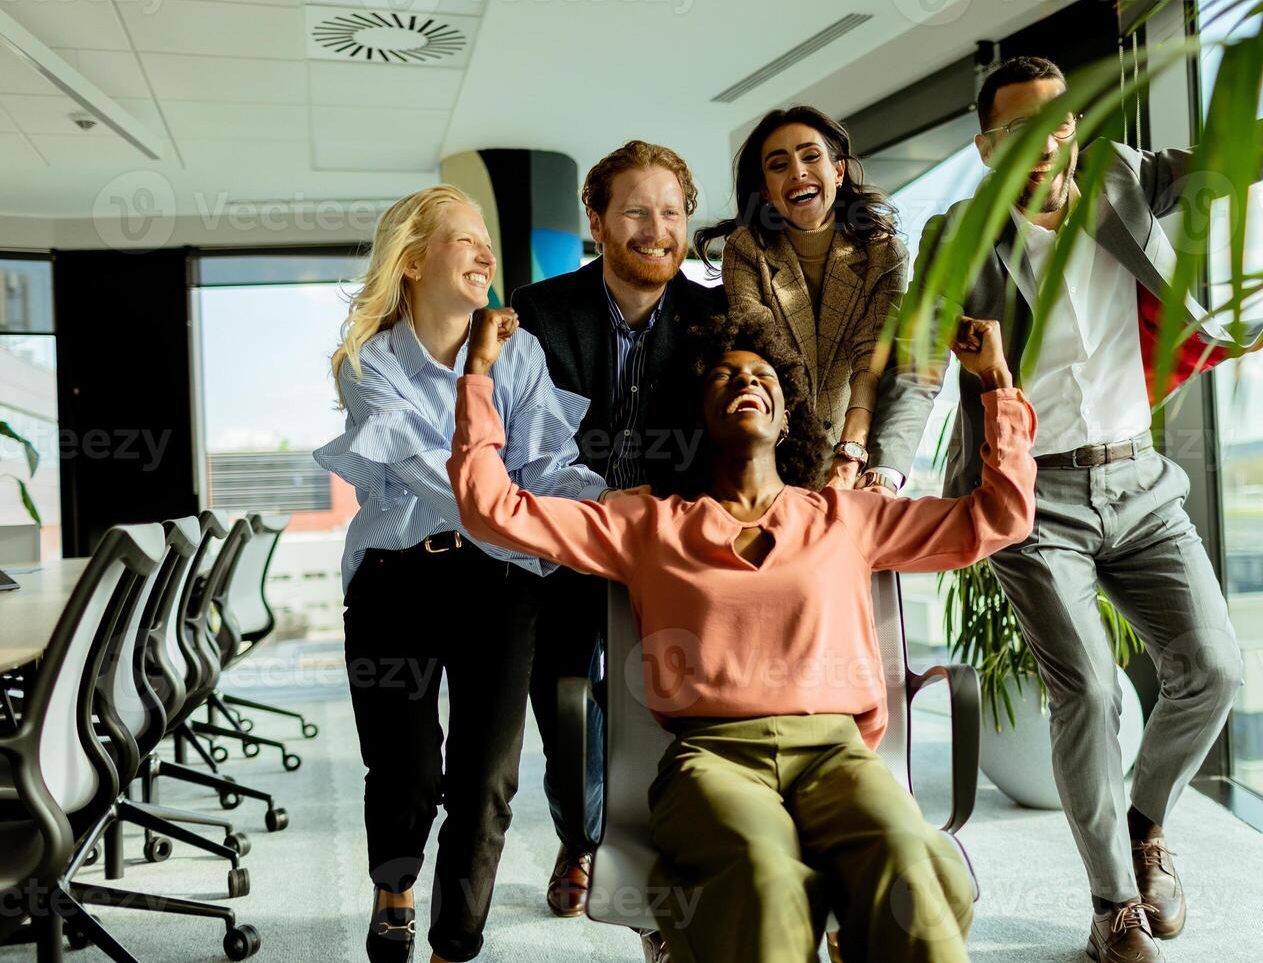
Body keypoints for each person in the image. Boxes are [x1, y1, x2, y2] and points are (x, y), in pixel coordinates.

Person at [912, 55, 1263, 962]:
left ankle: (1146, 823)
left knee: (1213, 666)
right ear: (985, 148)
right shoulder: (958, 236)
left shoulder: (1122, 178)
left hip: (1141, 481)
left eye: (1060, 123)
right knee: (1086, 690)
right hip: (1031, 494)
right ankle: (1112, 906)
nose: (1049, 143)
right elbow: (919, 365)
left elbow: (1232, 156)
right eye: (1021, 131)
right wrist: (875, 469)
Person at [446, 308, 1037, 963]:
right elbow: (492, 508)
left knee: (906, 863)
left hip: (837, 755)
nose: (745, 381)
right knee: (764, 874)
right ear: (699, 415)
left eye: (762, 376)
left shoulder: (848, 516)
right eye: (723, 377)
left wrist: (997, 383)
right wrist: (477, 373)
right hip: (713, 758)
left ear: (786, 420)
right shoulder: (645, 524)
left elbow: (1000, 515)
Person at [314, 185, 626, 963]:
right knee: (407, 771)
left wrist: (610, 501)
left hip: (499, 583)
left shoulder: (520, 354)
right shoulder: (370, 364)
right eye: (466, 240)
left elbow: (546, 465)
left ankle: (456, 945)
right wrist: (520, 504)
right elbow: (437, 477)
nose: (487, 254)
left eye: (488, 239)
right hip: (395, 579)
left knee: (487, 782)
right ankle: (395, 891)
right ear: (413, 261)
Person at [509, 140, 726, 929]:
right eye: (635, 211)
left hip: (675, 542)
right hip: (570, 535)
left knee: (681, 697)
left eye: (670, 212)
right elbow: (528, 441)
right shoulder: (540, 311)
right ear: (596, 221)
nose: (655, 229)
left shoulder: (714, 314)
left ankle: (675, 839)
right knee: (568, 702)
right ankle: (581, 838)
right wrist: (601, 499)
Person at [695, 106, 932, 496]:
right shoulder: (746, 250)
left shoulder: (883, 254)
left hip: (855, 456)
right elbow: (765, 354)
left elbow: (870, 362)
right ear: (765, 191)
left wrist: (850, 454)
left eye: (810, 156)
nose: (797, 172)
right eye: (778, 164)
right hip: (772, 451)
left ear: (837, 173)